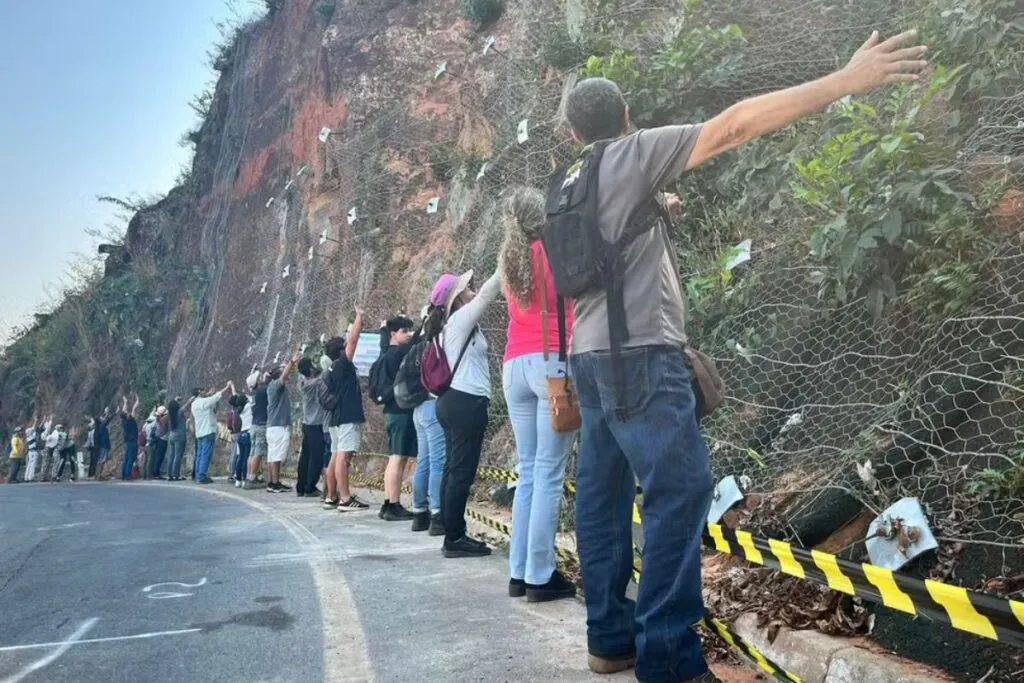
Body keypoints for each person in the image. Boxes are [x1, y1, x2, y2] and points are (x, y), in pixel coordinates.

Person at [559, 31, 928, 682]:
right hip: (639, 357)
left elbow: (599, 250)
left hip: (589, 358)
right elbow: (732, 125)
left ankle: (610, 638)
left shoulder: (570, 181)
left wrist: (658, 205)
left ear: (570, 134)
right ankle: (668, 658)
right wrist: (846, 79)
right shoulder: (630, 154)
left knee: (603, 495)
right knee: (681, 489)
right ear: (624, 119)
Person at [498, 187, 577, 602]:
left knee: (528, 471)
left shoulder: (509, 259)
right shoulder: (552, 251)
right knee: (548, 472)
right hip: (549, 365)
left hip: (513, 365)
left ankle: (519, 571)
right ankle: (540, 575)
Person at [428, 269, 502, 558]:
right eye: (466, 288)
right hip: (465, 401)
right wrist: (503, 263)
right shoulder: (460, 319)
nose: (472, 289)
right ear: (457, 298)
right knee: (461, 472)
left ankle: (449, 528)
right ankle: (454, 538)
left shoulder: (450, 326)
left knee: (452, 468)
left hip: (451, 401)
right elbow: (488, 293)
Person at [322, 308, 370, 511]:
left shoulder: (331, 368)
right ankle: (345, 498)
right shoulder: (342, 364)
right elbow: (353, 341)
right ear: (341, 351)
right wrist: (360, 316)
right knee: (343, 457)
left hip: (335, 418)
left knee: (335, 456)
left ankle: (331, 496)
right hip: (347, 417)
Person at [377, 315, 418, 521]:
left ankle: (388, 502)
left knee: (395, 457)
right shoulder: (398, 354)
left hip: (393, 411)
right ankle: (393, 504)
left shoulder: (387, 353)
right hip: (401, 412)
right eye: (404, 331)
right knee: (398, 458)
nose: (409, 334)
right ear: (393, 334)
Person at [410, 306, 446, 535]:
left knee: (423, 460)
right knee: (437, 462)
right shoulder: (437, 343)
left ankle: (419, 513)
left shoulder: (417, 345)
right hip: (433, 406)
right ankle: (437, 513)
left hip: (418, 408)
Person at [266, 352, 299, 492]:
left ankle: (275, 482)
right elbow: (284, 376)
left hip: (276, 426)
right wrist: (292, 362)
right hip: (277, 427)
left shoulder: (277, 388)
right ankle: (273, 483)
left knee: (276, 456)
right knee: (276, 456)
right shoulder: (274, 386)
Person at [191, 381, 234, 484]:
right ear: (199, 392)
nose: (205, 391)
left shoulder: (194, 404)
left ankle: (198, 474)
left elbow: (210, 403)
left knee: (200, 455)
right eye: (203, 391)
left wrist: (209, 395)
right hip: (207, 430)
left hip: (200, 432)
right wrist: (227, 386)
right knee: (206, 454)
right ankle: (201, 476)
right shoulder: (203, 402)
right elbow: (217, 397)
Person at [296, 357, 328, 497]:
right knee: (316, 457)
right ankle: (310, 487)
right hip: (316, 425)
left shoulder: (303, 383)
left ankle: (300, 486)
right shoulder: (315, 383)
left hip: (307, 424)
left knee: (305, 456)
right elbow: (326, 376)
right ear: (310, 369)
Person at [244, 370, 269, 489]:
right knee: (258, 452)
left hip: (254, 425)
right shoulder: (262, 391)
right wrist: (268, 379)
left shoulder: (254, 394)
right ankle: (253, 478)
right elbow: (269, 387)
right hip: (261, 425)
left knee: (252, 452)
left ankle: (250, 475)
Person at [229, 394, 251, 488]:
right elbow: (251, 400)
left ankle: (238, 479)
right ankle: (244, 478)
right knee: (246, 458)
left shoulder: (239, 411)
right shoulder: (249, 407)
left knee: (241, 458)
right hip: (248, 433)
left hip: (241, 434)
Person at [119, 394, 141, 481]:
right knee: (130, 459)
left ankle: (124, 474)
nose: (128, 413)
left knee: (126, 458)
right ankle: (128, 475)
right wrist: (137, 400)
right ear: (127, 416)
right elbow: (134, 409)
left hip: (127, 441)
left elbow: (124, 410)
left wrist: (125, 402)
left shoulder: (124, 421)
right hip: (132, 441)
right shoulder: (130, 420)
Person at [165, 398, 188, 480]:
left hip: (171, 436)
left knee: (172, 455)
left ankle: (170, 474)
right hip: (180, 436)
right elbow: (187, 405)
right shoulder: (179, 412)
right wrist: (194, 396)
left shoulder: (170, 415)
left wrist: (175, 399)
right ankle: (176, 474)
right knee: (178, 456)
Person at [94, 408, 113, 480]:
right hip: (104, 445)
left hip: (103, 445)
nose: (103, 418)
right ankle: (99, 476)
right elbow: (107, 420)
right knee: (102, 460)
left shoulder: (100, 426)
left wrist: (106, 413)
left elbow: (106, 419)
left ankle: (99, 475)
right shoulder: (102, 426)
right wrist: (114, 413)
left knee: (102, 460)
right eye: (101, 418)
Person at [151, 406, 169, 479]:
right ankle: (156, 473)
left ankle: (156, 473)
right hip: (162, 439)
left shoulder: (158, 419)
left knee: (158, 457)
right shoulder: (163, 419)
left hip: (158, 439)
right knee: (160, 457)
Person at [41, 416, 59, 482]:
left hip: (51, 448)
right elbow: (48, 429)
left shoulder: (52, 433)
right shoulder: (44, 434)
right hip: (47, 449)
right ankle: (43, 477)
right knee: (45, 463)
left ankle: (45, 476)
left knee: (48, 463)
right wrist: (50, 419)